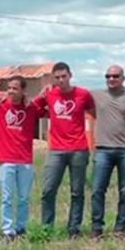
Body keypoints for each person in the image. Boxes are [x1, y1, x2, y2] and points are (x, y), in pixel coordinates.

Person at [33, 62, 95, 239]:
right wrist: (40, 95)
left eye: (64, 76)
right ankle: (47, 228)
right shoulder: (50, 94)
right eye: (57, 77)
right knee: (48, 190)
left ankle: (73, 229)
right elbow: (36, 109)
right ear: (53, 79)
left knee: (77, 192)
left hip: (78, 149)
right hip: (56, 150)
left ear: (70, 75)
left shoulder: (83, 94)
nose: (61, 80)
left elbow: (92, 110)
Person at [90, 65, 125, 240]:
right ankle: (97, 228)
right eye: (108, 76)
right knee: (97, 189)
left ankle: (120, 228)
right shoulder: (97, 95)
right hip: (103, 150)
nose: (111, 79)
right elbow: (77, 98)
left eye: (115, 76)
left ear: (123, 78)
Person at [0, 76, 43, 241]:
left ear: (23, 91)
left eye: (15, 88)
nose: (11, 91)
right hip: (6, 160)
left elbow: (45, 104)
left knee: (23, 198)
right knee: (6, 197)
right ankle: (7, 231)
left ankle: (21, 228)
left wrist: (35, 98)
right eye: (9, 88)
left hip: (25, 161)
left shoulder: (30, 108)